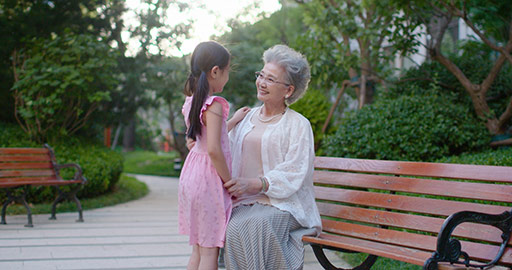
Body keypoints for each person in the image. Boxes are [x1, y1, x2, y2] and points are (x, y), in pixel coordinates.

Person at [223, 44, 322, 270]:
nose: (261, 82)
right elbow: (225, 151)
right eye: (261, 75)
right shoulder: (245, 118)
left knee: (258, 225)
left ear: (288, 90)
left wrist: (258, 183)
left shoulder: (298, 124)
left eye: (270, 79)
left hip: (285, 204)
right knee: (233, 227)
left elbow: (296, 169)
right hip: (245, 203)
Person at [178, 41, 249, 270]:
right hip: (208, 181)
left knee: (198, 250)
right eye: (228, 71)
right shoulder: (214, 105)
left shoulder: (191, 102)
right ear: (215, 71)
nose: (227, 77)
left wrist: (234, 120)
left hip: (191, 176)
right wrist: (229, 182)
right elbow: (214, 149)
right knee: (210, 252)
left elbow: (210, 137)